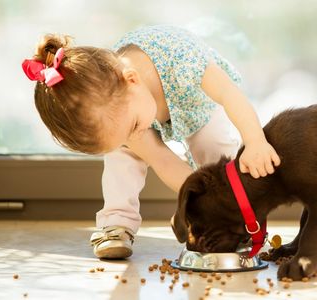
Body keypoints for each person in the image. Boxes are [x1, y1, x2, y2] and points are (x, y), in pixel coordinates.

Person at [22, 25, 280, 259]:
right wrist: (192, 204)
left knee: (214, 146)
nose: (133, 138)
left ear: (132, 80)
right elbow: (162, 160)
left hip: (198, 103)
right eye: (123, 136)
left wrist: (255, 140)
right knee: (122, 158)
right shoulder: (121, 110)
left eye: (132, 128)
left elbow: (229, 94)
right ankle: (116, 223)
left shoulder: (183, 61)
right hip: (135, 109)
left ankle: (232, 220)